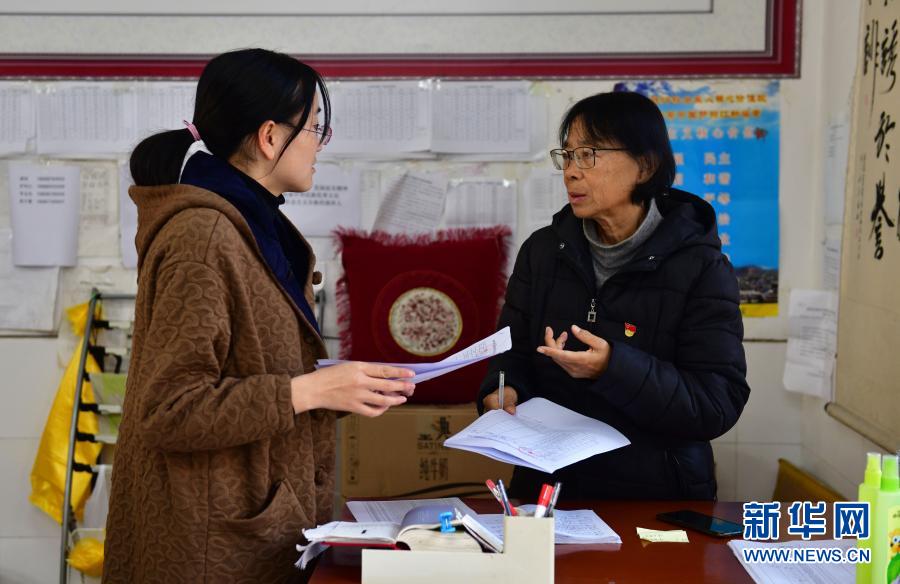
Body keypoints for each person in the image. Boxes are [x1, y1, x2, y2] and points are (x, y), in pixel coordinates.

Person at [104, 49, 416, 584]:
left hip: (249, 529)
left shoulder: (252, 225)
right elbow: (169, 409)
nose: (320, 144)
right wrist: (308, 391)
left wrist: (339, 386)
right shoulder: (204, 236)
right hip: (207, 548)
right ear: (270, 137)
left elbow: (253, 367)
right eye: (314, 127)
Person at [478, 91, 750, 502]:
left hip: (656, 500)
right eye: (567, 156)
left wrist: (613, 367)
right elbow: (510, 354)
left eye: (588, 155)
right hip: (549, 491)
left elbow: (716, 404)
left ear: (646, 165)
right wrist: (503, 391)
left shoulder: (702, 267)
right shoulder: (544, 252)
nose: (571, 172)